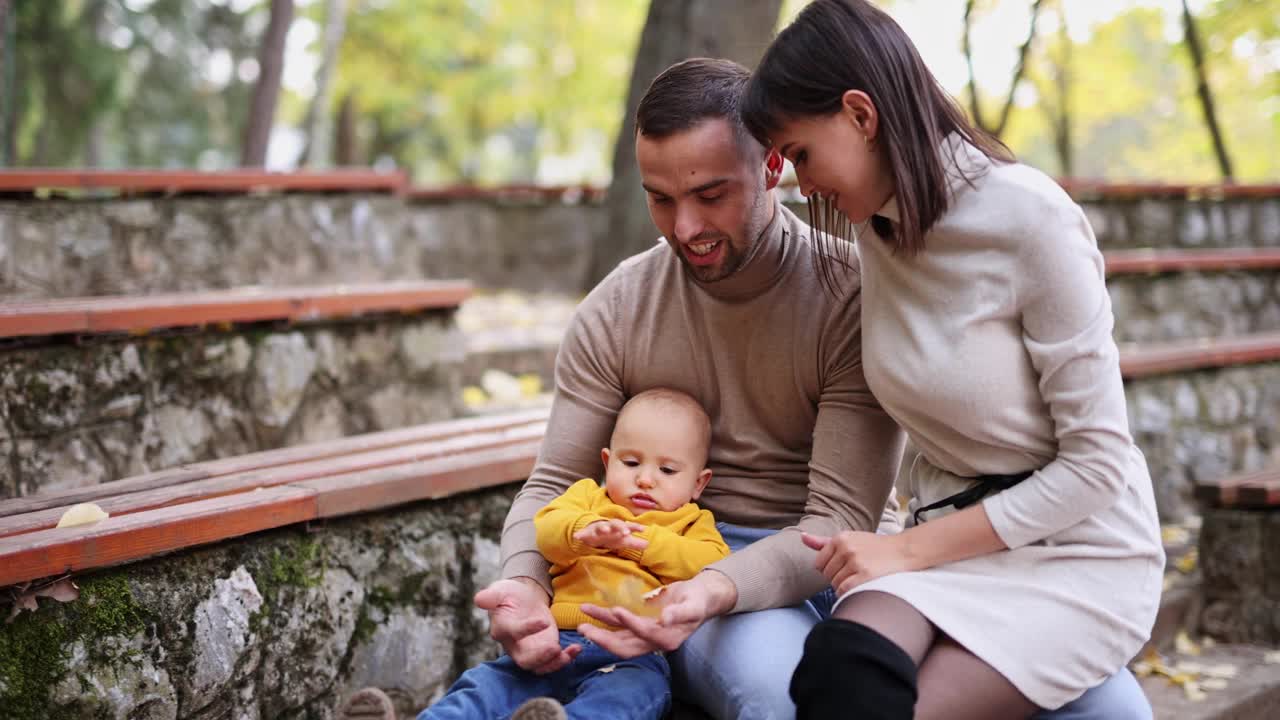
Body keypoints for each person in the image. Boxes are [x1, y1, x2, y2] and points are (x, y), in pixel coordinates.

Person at [465, 56, 1157, 720]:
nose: (685, 227)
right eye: (660, 199)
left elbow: (835, 520)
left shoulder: (853, 293)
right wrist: (526, 579)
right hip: (682, 566)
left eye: (711, 195)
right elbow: (555, 477)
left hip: (849, 558)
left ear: (774, 166)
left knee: (1116, 710)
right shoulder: (617, 308)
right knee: (788, 699)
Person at [734, 1, 1165, 719]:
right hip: (947, 543)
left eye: (801, 154)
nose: (801, 186)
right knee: (842, 675)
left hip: (1075, 553)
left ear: (860, 114)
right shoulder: (877, 227)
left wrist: (902, 552)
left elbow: (1097, 466)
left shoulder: (1031, 219)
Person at [415, 388, 730, 720]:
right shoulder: (588, 499)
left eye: (667, 471)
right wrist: (584, 531)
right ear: (607, 462)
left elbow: (710, 563)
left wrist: (644, 544)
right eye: (631, 462)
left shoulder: (693, 522)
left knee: (630, 698)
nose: (645, 479)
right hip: (554, 639)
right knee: (487, 686)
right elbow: (547, 532)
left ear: (698, 483)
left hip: (631, 654)